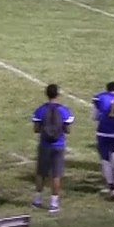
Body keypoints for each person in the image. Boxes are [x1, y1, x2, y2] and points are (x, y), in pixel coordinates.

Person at [32, 84, 73, 213]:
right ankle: (53, 203)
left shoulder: (40, 110)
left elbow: (36, 129)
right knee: (56, 175)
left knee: (41, 173)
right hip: (59, 145)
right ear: (58, 94)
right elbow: (67, 130)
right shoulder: (64, 110)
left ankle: (37, 200)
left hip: (45, 145)